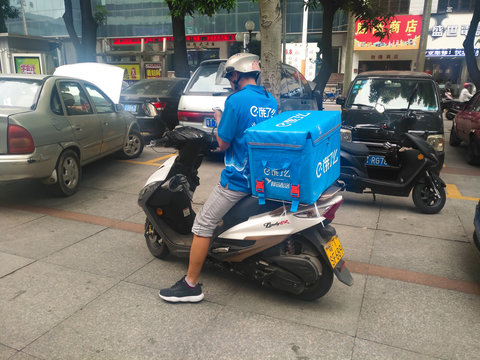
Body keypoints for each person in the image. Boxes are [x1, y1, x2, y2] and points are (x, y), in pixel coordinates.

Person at [158, 53, 279, 303]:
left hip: (238, 179)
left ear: (236, 75)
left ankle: (191, 285)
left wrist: (219, 119)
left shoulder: (235, 101)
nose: (230, 80)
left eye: (230, 76)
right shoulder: (270, 100)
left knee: (202, 225)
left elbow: (223, 144)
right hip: (261, 176)